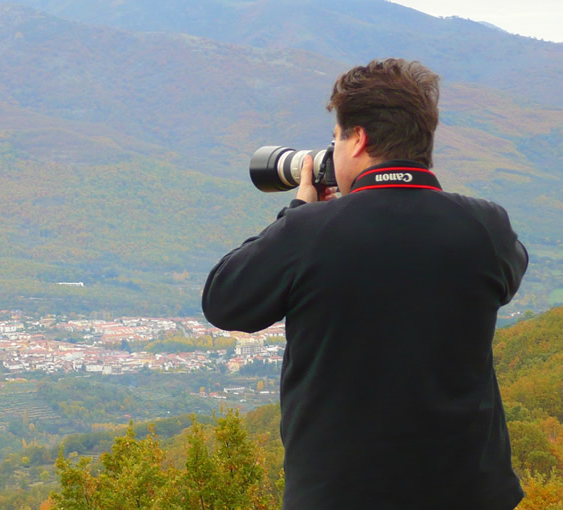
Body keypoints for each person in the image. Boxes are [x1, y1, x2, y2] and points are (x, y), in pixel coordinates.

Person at [202, 58, 528, 509]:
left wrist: (300, 211)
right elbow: (500, 280)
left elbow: (225, 302)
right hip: (471, 493)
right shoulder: (486, 226)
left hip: (342, 495)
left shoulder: (309, 232)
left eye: (335, 138)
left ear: (359, 139)